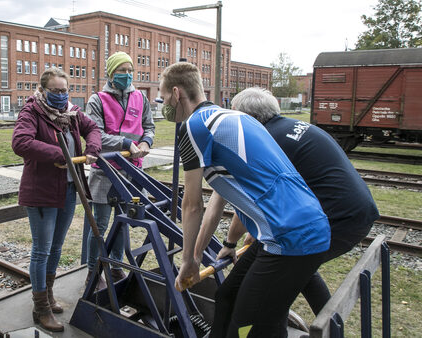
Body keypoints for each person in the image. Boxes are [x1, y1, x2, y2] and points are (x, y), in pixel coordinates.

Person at [160, 62, 331, 337]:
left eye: (164, 96)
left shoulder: (193, 126)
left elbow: (192, 204)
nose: (164, 103)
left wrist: (189, 261)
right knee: (227, 294)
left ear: (177, 93)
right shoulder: (238, 117)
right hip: (305, 225)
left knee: (248, 325)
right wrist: (228, 243)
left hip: (286, 235)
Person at [226, 87, 379, 315]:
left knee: (281, 276)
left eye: (233, 115)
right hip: (356, 212)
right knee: (299, 267)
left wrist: (229, 243)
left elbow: (250, 201)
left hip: (337, 220)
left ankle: (277, 325)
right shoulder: (292, 127)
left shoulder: (268, 142)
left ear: (246, 117)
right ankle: (328, 327)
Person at [12, 68, 101, 332]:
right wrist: (59, 153)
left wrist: (92, 148)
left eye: (64, 91)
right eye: (55, 91)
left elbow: (92, 127)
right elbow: (21, 143)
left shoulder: (70, 114)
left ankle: (48, 296)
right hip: (41, 191)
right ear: (42, 91)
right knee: (42, 250)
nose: (61, 96)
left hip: (68, 189)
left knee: (57, 247)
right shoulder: (31, 112)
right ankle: (40, 308)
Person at [83, 51, 155, 286]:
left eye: (129, 70)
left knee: (122, 222)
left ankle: (115, 267)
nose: (127, 75)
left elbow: (148, 126)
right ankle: (93, 271)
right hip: (106, 170)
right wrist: (126, 143)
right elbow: (98, 135)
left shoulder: (140, 98)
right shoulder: (98, 99)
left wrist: (146, 142)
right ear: (111, 73)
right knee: (100, 225)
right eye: (121, 71)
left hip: (131, 170)